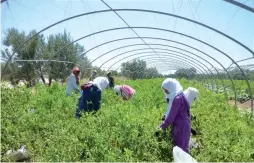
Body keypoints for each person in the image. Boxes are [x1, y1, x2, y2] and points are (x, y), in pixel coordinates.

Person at [157, 78, 191, 153]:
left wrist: (161, 127)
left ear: (171, 88)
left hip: (181, 127)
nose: (165, 92)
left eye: (166, 90)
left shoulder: (176, 99)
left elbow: (171, 118)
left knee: (181, 150)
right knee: (181, 148)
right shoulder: (180, 94)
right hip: (183, 124)